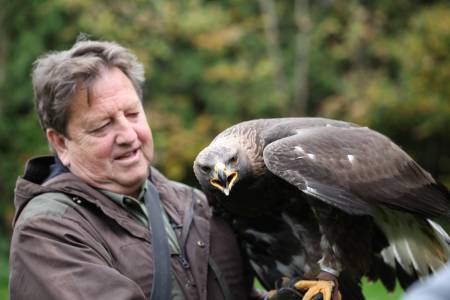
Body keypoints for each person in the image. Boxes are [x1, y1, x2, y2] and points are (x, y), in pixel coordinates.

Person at [8, 38, 261, 300]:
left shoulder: (195, 203)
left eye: (132, 114)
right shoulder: (47, 232)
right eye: (102, 126)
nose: (128, 135)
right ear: (61, 143)